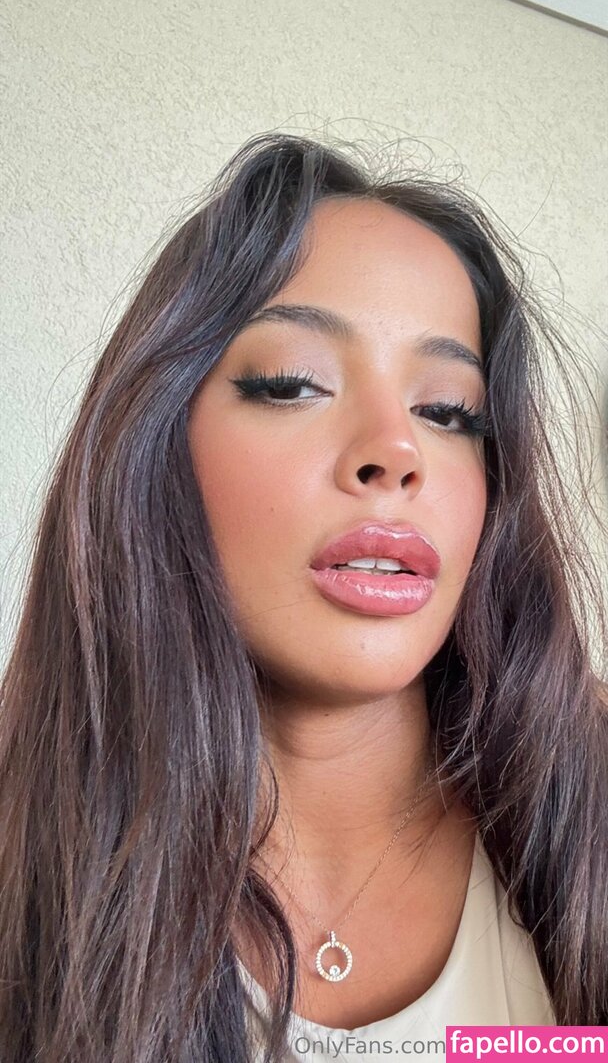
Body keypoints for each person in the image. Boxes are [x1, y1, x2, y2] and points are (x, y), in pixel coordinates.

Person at [0, 134, 606, 1063]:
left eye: (449, 412)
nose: (395, 451)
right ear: (155, 445)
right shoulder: (27, 850)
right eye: (292, 385)